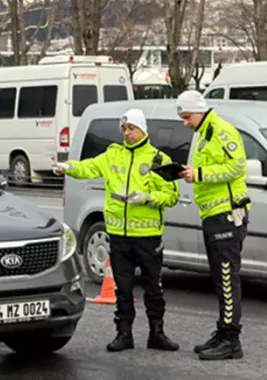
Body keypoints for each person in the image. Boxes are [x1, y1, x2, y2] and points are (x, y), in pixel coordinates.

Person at [53, 108, 180, 353]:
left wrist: (146, 197)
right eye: (124, 129)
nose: (127, 133)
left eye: (131, 128)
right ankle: (124, 334)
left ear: (142, 130)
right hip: (119, 234)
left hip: (148, 235)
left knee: (153, 287)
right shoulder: (113, 155)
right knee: (123, 287)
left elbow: (172, 196)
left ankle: (157, 333)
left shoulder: (158, 159)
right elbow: (89, 167)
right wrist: (67, 167)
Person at [175, 90, 250, 361]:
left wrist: (200, 173)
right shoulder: (204, 133)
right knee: (220, 279)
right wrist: (191, 174)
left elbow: (237, 167)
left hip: (227, 214)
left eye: (186, 117)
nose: (185, 123)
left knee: (228, 278)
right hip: (213, 214)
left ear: (199, 111)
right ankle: (223, 331)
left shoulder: (220, 130)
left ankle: (231, 339)